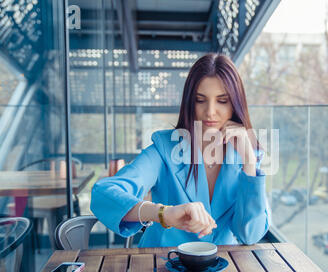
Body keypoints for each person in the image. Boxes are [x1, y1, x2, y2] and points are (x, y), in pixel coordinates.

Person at [90, 53, 270, 247]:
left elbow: (250, 235)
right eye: (200, 100)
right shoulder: (165, 148)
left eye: (222, 100)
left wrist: (249, 163)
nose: (210, 111)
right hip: (160, 266)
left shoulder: (245, 156)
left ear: (235, 105)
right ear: (189, 103)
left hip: (221, 269)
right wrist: (163, 214)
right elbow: (104, 193)